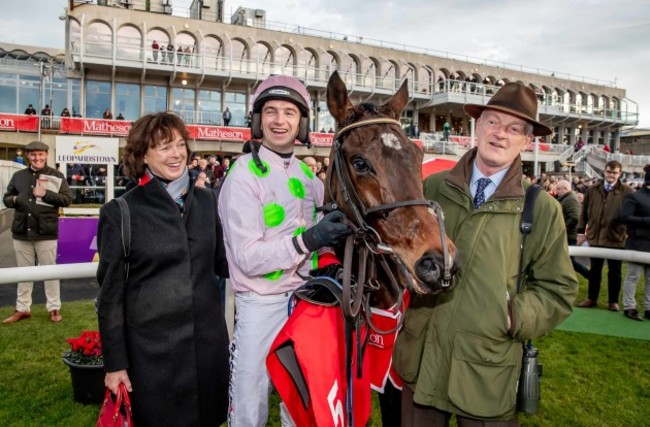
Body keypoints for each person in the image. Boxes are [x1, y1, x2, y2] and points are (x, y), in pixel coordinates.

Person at [394, 83, 578, 425]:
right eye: (493, 122)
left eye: (515, 129)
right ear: (477, 127)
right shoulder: (432, 189)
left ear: (526, 141)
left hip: (486, 370)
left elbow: (560, 289)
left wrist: (512, 316)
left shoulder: (542, 208)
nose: (501, 135)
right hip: (422, 359)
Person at [218, 74, 351, 426]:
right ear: (258, 120)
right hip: (260, 305)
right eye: (271, 111)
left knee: (303, 402)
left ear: (302, 122)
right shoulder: (242, 175)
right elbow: (248, 258)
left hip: (306, 302)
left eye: (289, 113)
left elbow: (328, 241)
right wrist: (308, 240)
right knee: (249, 406)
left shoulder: (310, 178)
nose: (280, 121)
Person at [96, 112, 230, 426]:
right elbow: (110, 298)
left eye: (180, 145)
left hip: (207, 351)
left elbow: (225, 263)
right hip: (154, 358)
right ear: (143, 154)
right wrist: (115, 365)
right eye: (165, 147)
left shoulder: (208, 201)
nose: (176, 154)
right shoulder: (120, 212)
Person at [2, 141, 72, 324]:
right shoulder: (18, 176)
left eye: (40, 154)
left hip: (46, 232)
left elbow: (67, 199)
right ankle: (22, 308)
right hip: (22, 231)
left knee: (49, 271)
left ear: (46, 155)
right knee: (23, 273)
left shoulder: (56, 175)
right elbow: (7, 198)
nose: (37, 158)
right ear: (28, 156)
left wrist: (45, 194)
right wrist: (16, 199)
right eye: (33, 155)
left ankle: (54, 308)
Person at [577, 160, 633, 311]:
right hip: (595, 236)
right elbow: (584, 212)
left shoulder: (627, 191)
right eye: (609, 171)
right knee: (595, 269)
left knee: (615, 271)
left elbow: (631, 214)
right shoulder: (592, 189)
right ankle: (591, 298)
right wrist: (581, 233)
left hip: (615, 236)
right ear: (604, 171)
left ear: (619, 174)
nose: (611, 175)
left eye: (614, 172)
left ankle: (613, 301)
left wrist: (628, 232)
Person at [619, 164, 650, 321]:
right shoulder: (635, 196)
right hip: (637, 242)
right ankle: (629, 306)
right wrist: (646, 221)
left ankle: (649, 307)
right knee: (633, 276)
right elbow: (624, 217)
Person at [556, 179, 590, 279]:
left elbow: (575, 217)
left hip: (569, 235)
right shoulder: (568, 199)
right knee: (567, 260)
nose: (557, 191)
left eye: (558, 189)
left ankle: (589, 275)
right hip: (568, 234)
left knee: (568, 260)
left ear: (565, 189)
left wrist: (563, 229)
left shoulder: (570, 199)